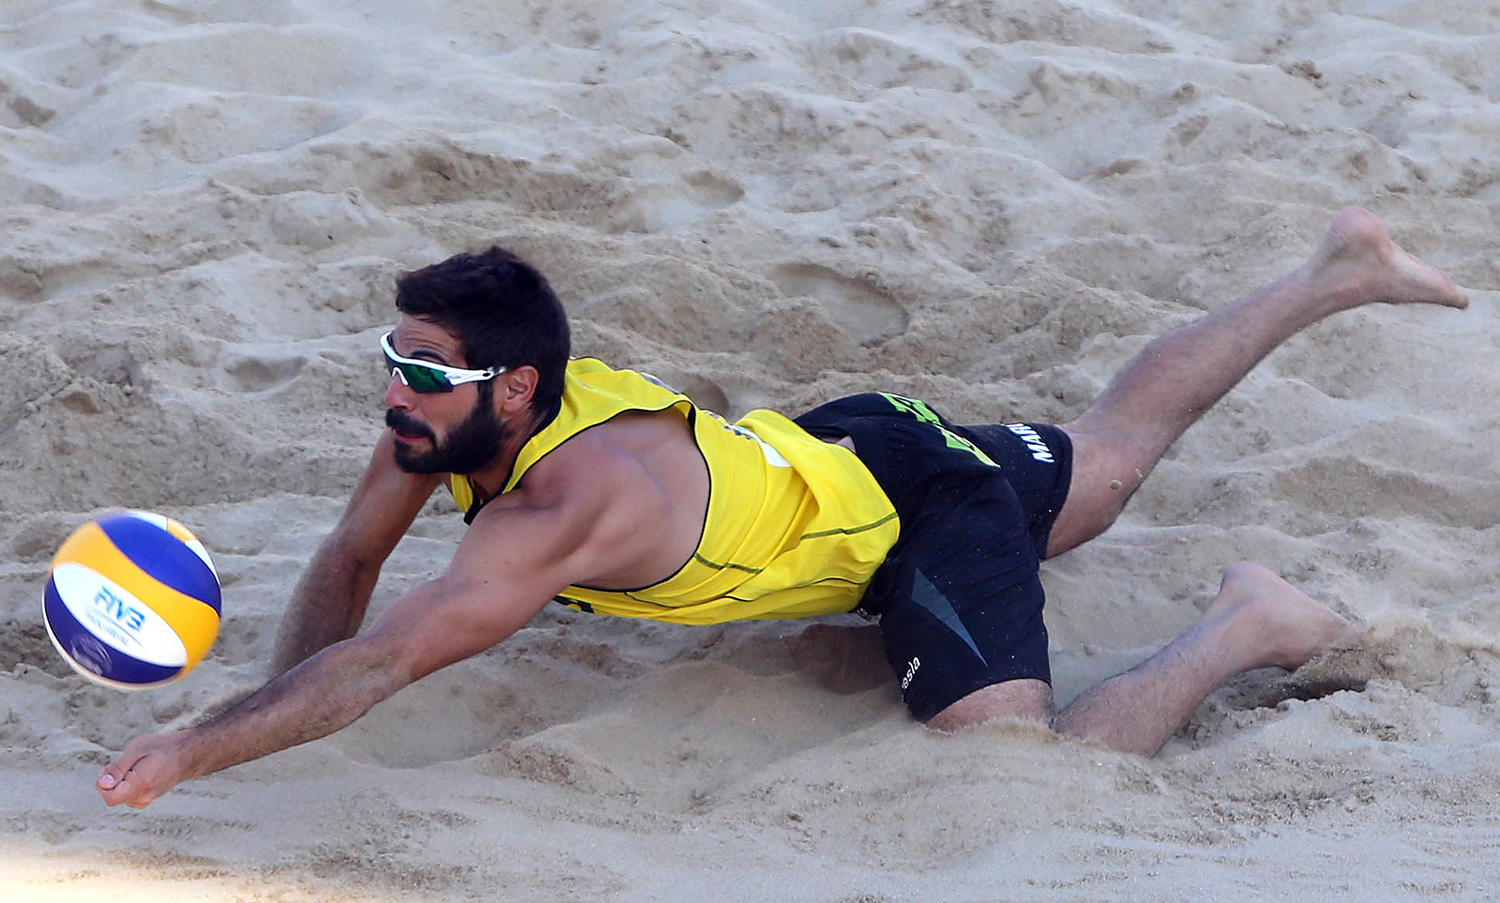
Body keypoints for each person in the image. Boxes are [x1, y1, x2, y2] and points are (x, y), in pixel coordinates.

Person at [97, 207, 1467, 809]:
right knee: (1106, 459)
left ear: (513, 390)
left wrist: (187, 754)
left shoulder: (557, 509)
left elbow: (382, 658)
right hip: (831, 450)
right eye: (392, 360)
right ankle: (1333, 272)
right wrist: (248, 728)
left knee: (1017, 761)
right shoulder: (443, 422)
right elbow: (350, 561)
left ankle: (1246, 623)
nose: (395, 393)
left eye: (423, 372)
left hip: (908, 518)